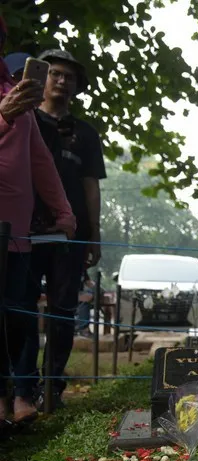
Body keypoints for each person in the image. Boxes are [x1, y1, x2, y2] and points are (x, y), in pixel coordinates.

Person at [0, 17, 76, 425]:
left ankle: (17, 396)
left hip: (15, 235)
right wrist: (3, 117)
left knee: (16, 317)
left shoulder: (19, 98)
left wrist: (64, 211)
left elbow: (40, 162)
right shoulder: (11, 105)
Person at [20, 49, 105, 408]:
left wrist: (94, 233)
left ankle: (53, 385)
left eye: (68, 76)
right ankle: (22, 386)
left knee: (63, 310)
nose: (61, 80)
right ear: (42, 77)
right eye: (54, 73)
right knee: (21, 307)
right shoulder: (23, 121)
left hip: (72, 234)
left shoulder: (85, 133)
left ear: (76, 85)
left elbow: (91, 186)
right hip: (24, 228)